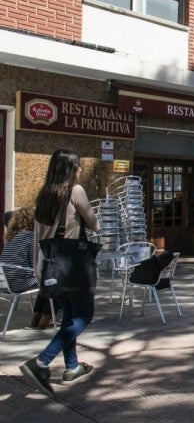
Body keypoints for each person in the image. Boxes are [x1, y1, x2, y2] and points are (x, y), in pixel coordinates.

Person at [19, 149, 99, 396]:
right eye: (79, 166)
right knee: (84, 316)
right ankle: (42, 361)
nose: (81, 170)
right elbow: (94, 222)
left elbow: (39, 235)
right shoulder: (75, 191)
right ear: (71, 169)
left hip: (51, 266)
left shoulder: (44, 195)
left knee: (69, 317)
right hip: (73, 266)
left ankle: (72, 367)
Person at [1, 207, 55, 328]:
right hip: (19, 283)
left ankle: (37, 318)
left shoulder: (11, 238)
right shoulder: (31, 238)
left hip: (5, 283)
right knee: (55, 281)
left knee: (46, 280)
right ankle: (46, 318)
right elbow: (35, 266)